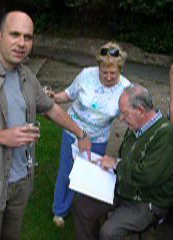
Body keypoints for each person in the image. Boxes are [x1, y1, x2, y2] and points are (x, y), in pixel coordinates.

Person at [0, 11, 91, 240]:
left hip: (20, 183)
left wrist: (81, 133)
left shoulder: (27, 77)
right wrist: (3, 137)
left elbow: (50, 107)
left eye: (28, 37)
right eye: (15, 35)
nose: (22, 43)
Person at [73, 84, 173, 240]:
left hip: (148, 202)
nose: (121, 118)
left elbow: (147, 176)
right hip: (125, 189)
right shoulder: (137, 127)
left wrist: (116, 164)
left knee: (108, 233)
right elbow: (124, 158)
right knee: (82, 206)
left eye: (125, 113)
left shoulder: (167, 134)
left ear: (140, 111)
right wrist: (105, 166)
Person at [48, 42, 131, 227]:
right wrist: (55, 98)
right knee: (67, 172)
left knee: (91, 175)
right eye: (104, 72)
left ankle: (86, 212)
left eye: (113, 73)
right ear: (98, 67)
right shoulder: (86, 75)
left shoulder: (125, 89)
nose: (109, 77)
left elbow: (128, 114)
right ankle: (60, 211)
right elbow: (69, 94)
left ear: (120, 69)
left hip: (99, 138)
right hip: (73, 130)